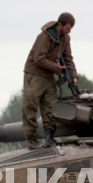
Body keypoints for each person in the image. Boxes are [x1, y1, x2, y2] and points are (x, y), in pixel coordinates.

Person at [22, 12, 77, 150]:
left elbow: (68, 58)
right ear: (60, 24)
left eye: (70, 29)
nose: (69, 31)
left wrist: (73, 75)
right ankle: (32, 139)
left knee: (51, 108)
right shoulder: (45, 37)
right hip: (34, 74)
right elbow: (38, 58)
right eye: (67, 28)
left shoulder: (65, 38)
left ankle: (49, 137)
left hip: (49, 75)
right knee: (31, 107)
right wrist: (56, 68)